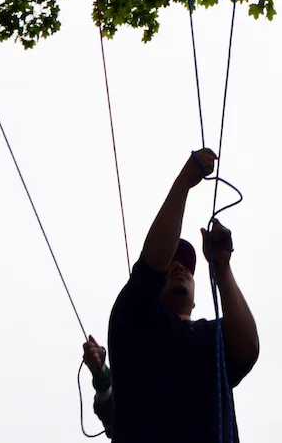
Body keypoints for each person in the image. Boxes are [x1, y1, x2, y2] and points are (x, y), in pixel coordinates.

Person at [103, 147, 259, 442]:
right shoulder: (135, 319)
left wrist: (223, 270)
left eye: (187, 267)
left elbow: (248, 349)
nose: (179, 268)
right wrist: (184, 182)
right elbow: (151, 265)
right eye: (172, 264)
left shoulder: (213, 339)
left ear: (196, 296)